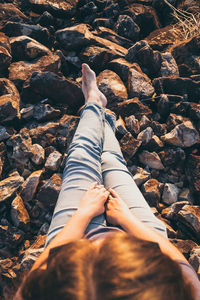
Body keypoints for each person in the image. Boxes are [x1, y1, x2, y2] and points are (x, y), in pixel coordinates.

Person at [13, 64, 199, 300]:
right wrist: (126, 219)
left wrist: (82, 214)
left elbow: (36, 275)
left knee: (81, 157)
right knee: (111, 161)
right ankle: (100, 111)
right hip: (142, 235)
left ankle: (94, 104)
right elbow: (186, 274)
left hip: (76, 235)